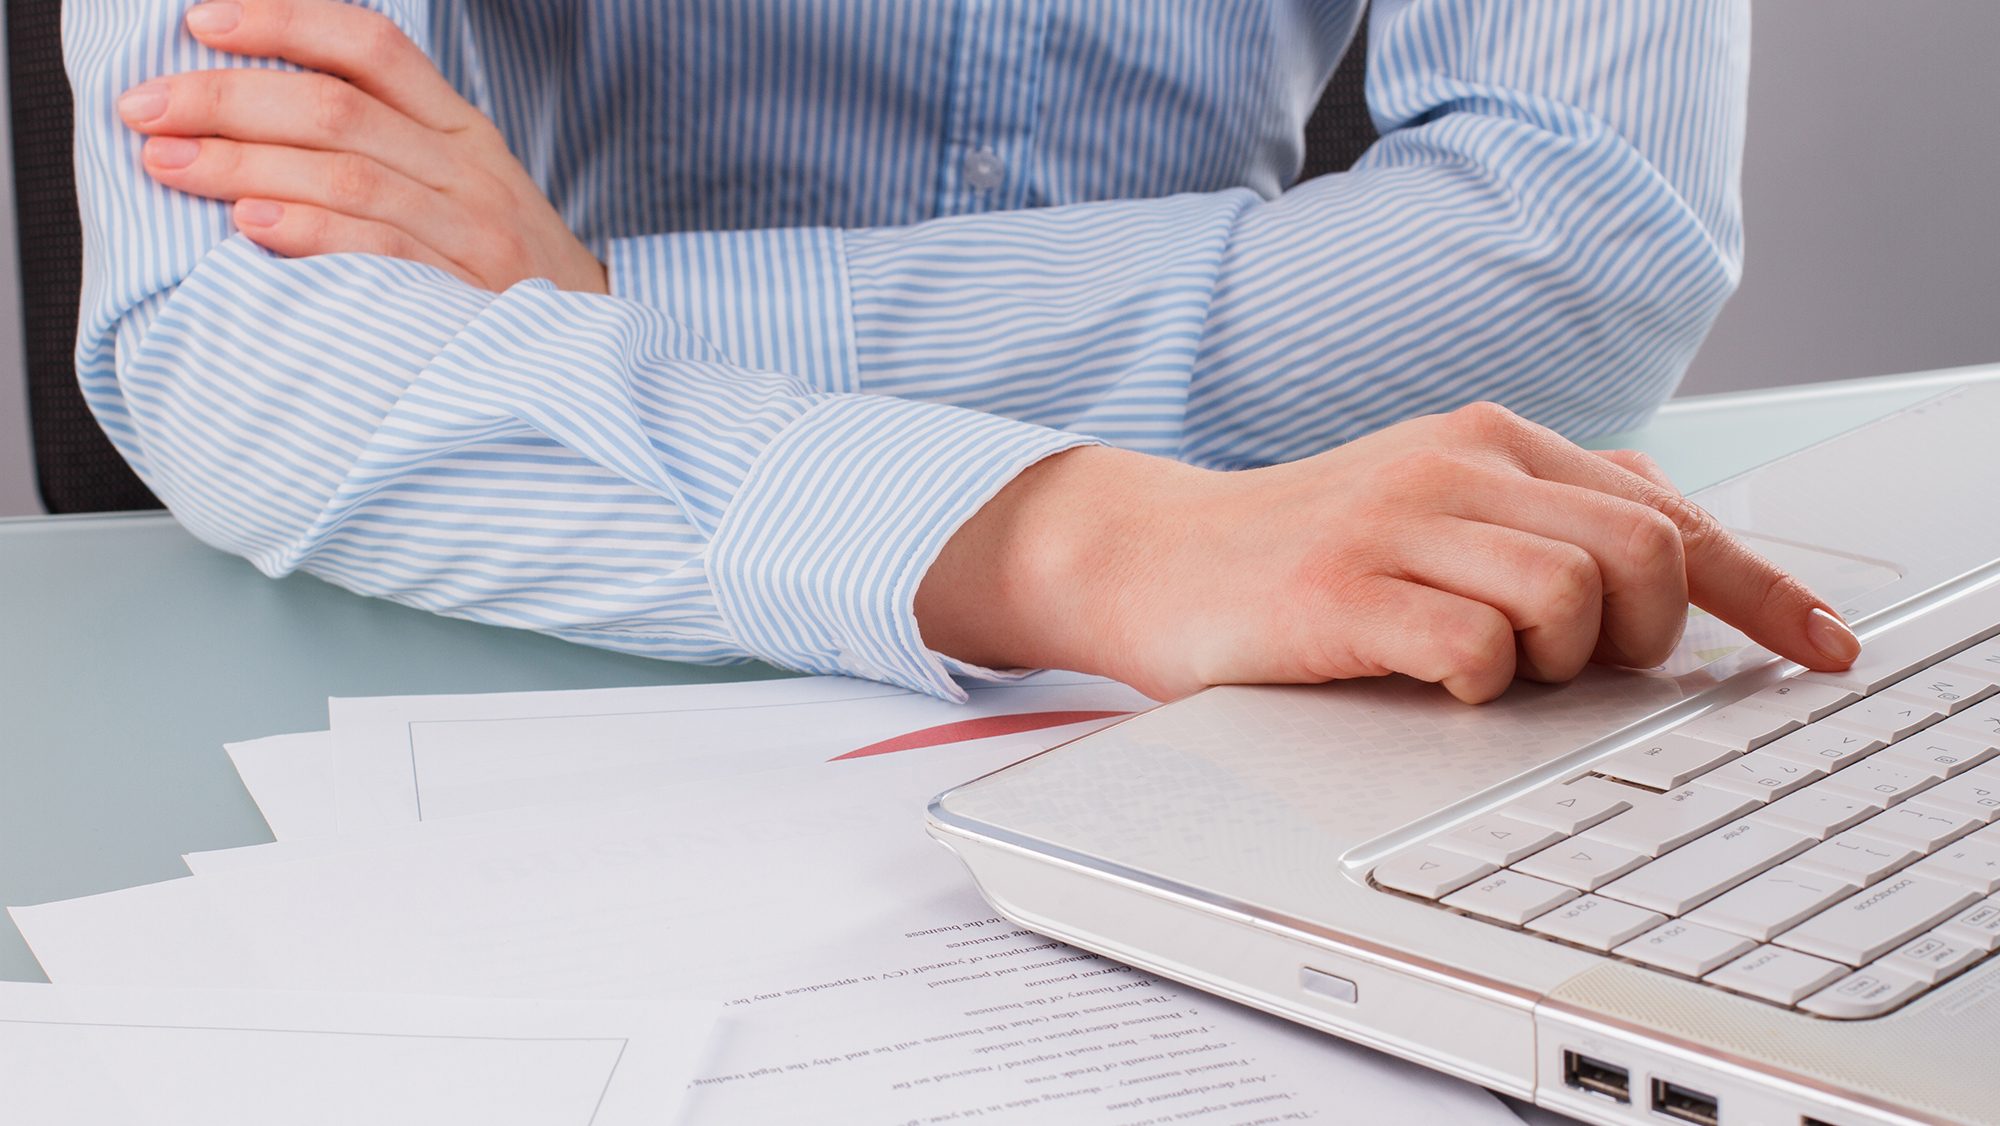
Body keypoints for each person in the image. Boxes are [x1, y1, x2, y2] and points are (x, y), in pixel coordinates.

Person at [68, 0, 1860, 704]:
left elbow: (1579, 249)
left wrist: (597, 308)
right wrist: (1071, 537)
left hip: (1269, 618)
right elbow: (232, 330)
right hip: (508, 623)